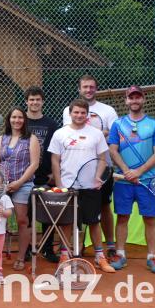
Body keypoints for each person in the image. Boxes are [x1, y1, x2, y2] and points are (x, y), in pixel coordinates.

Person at [49, 98, 115, 273]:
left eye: (82, 113)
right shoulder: (60, 134)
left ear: (87, 115)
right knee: (67, 222)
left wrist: (98, 178)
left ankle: (100, 256)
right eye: (76, 112)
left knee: (94, 222)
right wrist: (59, 183)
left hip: (90, 187)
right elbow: (55, 161)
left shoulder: (96, 134)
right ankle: (65, 254)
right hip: (68, 186)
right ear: (70, 114)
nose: (79, 115)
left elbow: (102, 159)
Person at [108, 86, 155, 274]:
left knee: (150, 219)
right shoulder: (118, 124)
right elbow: (113, 149)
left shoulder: (154, 125)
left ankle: (152, 257)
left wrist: (138, 172)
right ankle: (120, 254)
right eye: (131, 97)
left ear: (143, 100)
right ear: (126, 101)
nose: (134, 100)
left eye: (137, 97)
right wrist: (126, 171)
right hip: (124, 182)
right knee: (122, 217)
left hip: (148, 181)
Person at [61, 75, 119, 258]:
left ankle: (108, 245)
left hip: (102, 168)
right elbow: (70, 134)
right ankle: (76, 247)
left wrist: (95, 133)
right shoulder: (68, 110)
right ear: (79, 89)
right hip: (75, 171)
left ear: (96, 88)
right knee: (74, 212)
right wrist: (98, 133)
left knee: (103, 206)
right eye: (85, 87)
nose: (88, 90)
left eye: (91, 87)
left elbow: (115, 134)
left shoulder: (108, 110)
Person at [0, 107, 39, 271]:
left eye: (20, 117)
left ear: (24, 120)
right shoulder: (1, 139)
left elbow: (34, 164)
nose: (17, 120)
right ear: (9, 119)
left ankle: (20, 257)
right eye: (14, 117)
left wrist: (18, 183)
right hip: (2, 186)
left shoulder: (31, 139)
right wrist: (0, 183)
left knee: (22, 220)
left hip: (23, 185)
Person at [24, 86, 60, 263]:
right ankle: (28, 248)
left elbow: (55, 152)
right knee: (27, 215)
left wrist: (54, 173)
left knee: (49, 214)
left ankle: (47, 247)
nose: (35, 102)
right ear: (27, 102)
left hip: (45, 175)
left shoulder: (51, 124)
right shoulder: (20, 121)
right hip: (25, 176)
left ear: (42, 102)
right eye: (31, 99)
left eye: (38, 99)